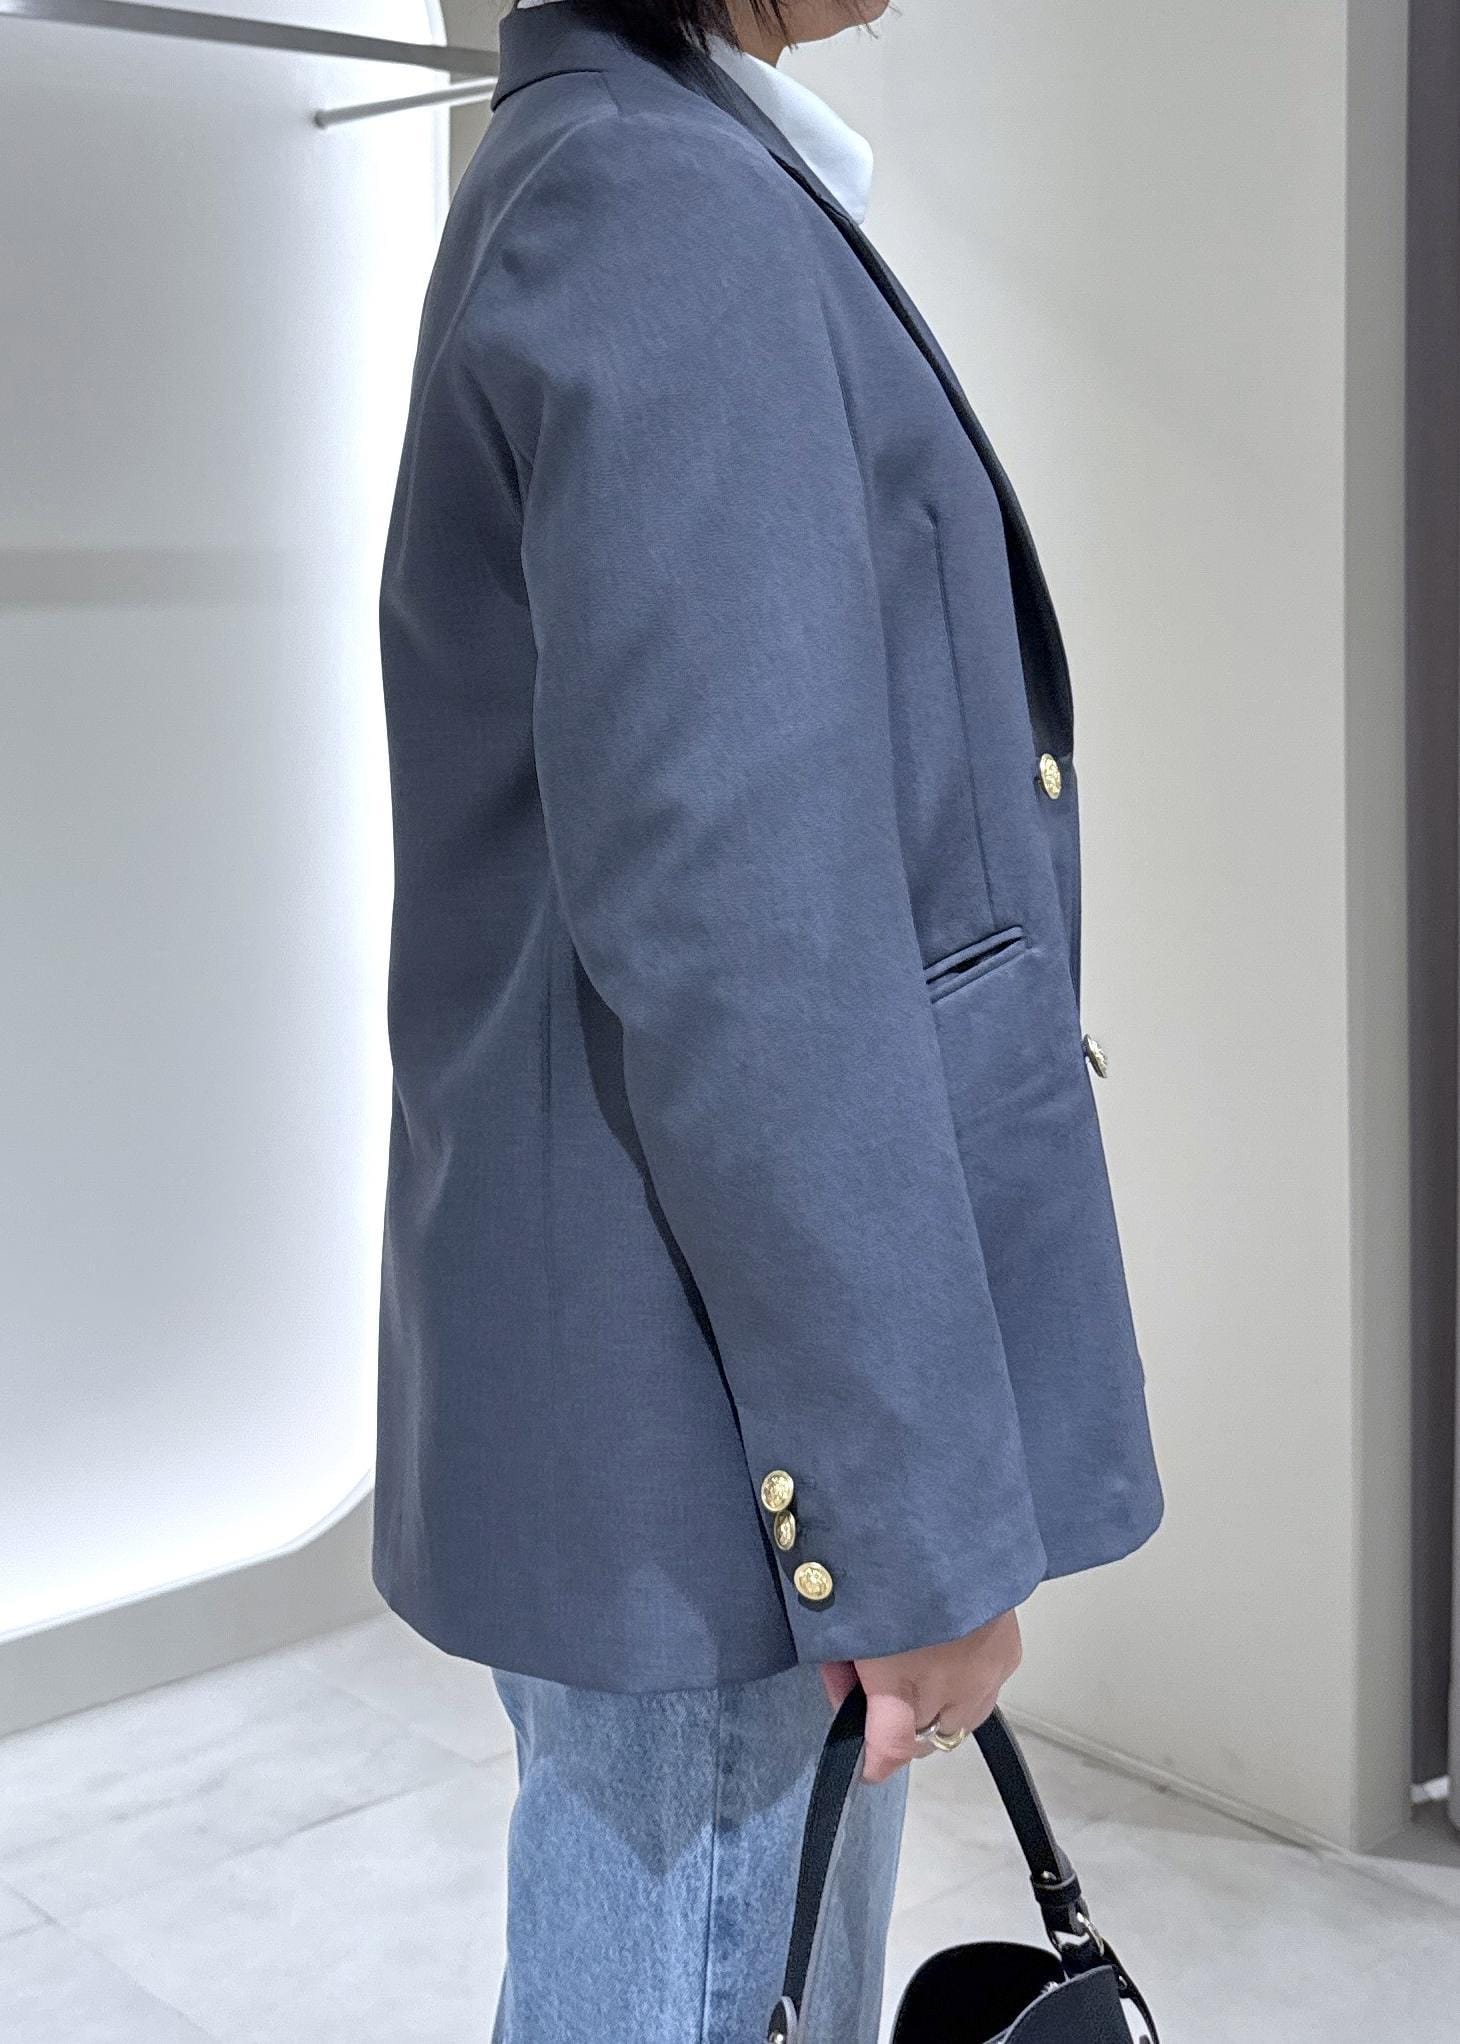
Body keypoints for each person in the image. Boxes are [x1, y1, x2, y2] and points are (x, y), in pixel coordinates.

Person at [372, 2, 1164, 2038]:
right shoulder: (660, 206)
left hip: (677, 1359)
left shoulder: (617, 168)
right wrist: (899, 1527)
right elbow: (747, 936)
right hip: (716, 1412)